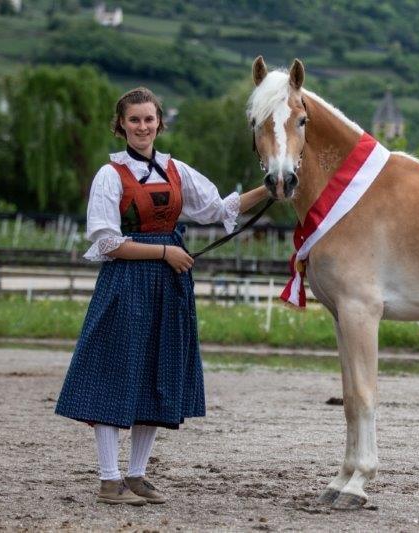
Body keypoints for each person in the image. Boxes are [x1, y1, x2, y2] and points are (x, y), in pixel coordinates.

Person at [55, 87, 267, 505]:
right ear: (121, 125)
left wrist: (269, 189)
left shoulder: (175, 170)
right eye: (134, 120)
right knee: (114, 374)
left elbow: (217, 209)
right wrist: (166, 252)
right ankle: (109, 479)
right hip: (125, 284)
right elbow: (107, 243)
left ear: (159, 122)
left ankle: (136, 475)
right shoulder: (109, 176)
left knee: (157, 373)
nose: (142, 127)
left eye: (149, 119)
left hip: (168, 287)